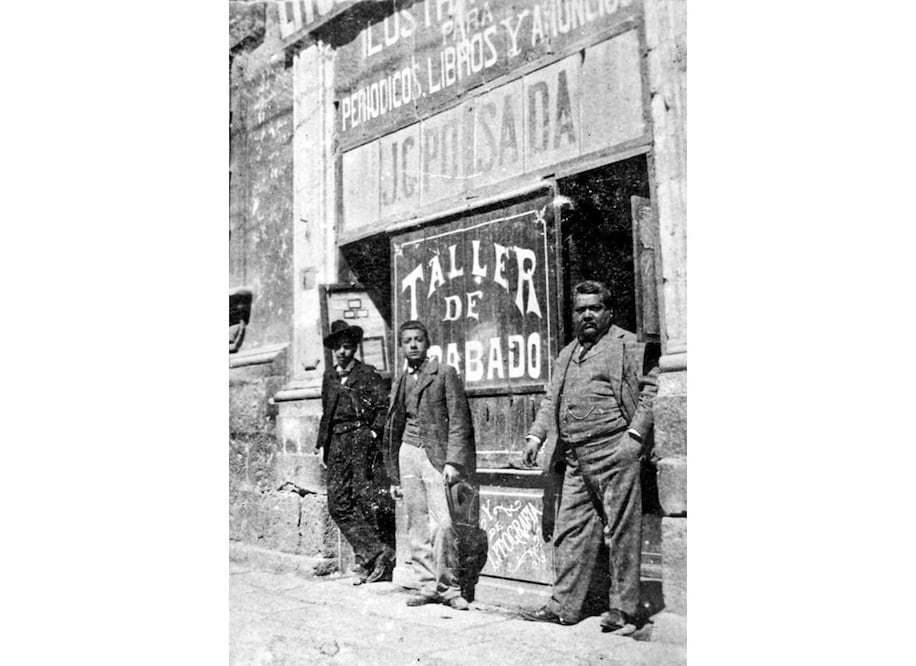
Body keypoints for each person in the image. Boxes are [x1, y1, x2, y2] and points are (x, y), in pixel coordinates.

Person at [518, 280, 659, 635]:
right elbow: (551, 400)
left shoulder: (627, 344)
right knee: (570, 531)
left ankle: (623, 609)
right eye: (580, 310)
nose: (587, 315)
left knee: (623, 531)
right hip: (576, 458)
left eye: (594, 308)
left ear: (608, 311)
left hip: (615, 450)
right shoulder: (567, 354)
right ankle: (563, 605)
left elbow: (652, 387)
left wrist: (635, 435)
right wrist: (536, 435)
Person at [384, 320, 476, 611]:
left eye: (418, 339)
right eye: (407, 340)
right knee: (417, 522)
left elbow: (460, 419)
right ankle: (426, 585)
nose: (413, 344)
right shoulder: (401, 380)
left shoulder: (444, 373)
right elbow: (393, 424)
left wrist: (453, 462)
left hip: (435, 456)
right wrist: (393, 472)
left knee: (444, 523)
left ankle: (448, 587)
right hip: (408, 453)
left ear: (427, 343)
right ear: (401, 346)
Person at [316, 320, 395, 586]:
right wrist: (321, 446)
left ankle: (366, 560)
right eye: (338, 347)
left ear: (354, 349)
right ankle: (376, 551)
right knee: (337, 503)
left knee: (362, 499)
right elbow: (326, 414)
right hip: (336, 443)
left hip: (360, 441)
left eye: (347, 347)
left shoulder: (367, 374)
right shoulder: (329, 376)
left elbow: (384, 408)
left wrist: (373, 432)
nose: (342, 352)